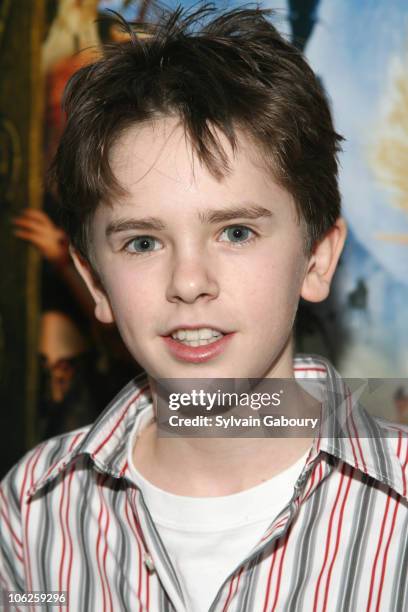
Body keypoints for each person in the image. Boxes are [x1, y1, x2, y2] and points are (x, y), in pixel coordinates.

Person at [1, 6, 407, 611]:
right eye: (143, 242)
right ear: (96, 284)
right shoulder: (33, 507)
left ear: (317, 260)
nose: (189, 283)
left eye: (236, 232)